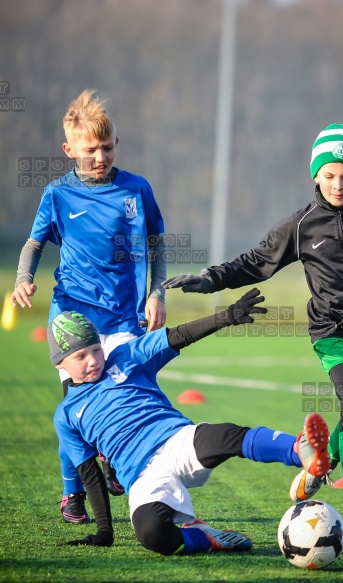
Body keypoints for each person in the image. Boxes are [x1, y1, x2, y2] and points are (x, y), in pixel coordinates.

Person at [162, 123, 343, 548]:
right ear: (315, 174)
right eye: (330, 175)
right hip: (333, 331)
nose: (338, 184)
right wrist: (209, 279)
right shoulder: (301, 225)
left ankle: (315, 470)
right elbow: (253, 262)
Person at [48, 289, 331, 554]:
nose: (94, 360)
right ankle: (204, 537)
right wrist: (104, 531)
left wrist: (225, 317)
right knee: (154, 536)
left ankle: (298, 451)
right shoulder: (66, 414)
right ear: (60, 363)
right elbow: (90, 474)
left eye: (96, 350)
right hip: (141, 477)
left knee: (226, 436)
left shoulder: (125, 357)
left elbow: (177, 335)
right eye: (80, 356)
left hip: (174, 440)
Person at [10, 89, 167, 523]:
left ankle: (116, 461)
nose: (101, 156)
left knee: (124, 395)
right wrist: (23, 278)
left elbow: (156, 245)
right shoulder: (58, 194)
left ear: (117, 142)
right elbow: (33, 244)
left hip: (124, 314)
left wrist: (158, 293)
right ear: (69, 150)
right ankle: (71, 493)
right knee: (78, 408)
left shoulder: (137, 189)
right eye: (91, 149)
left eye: (108, 146)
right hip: (72, 313)